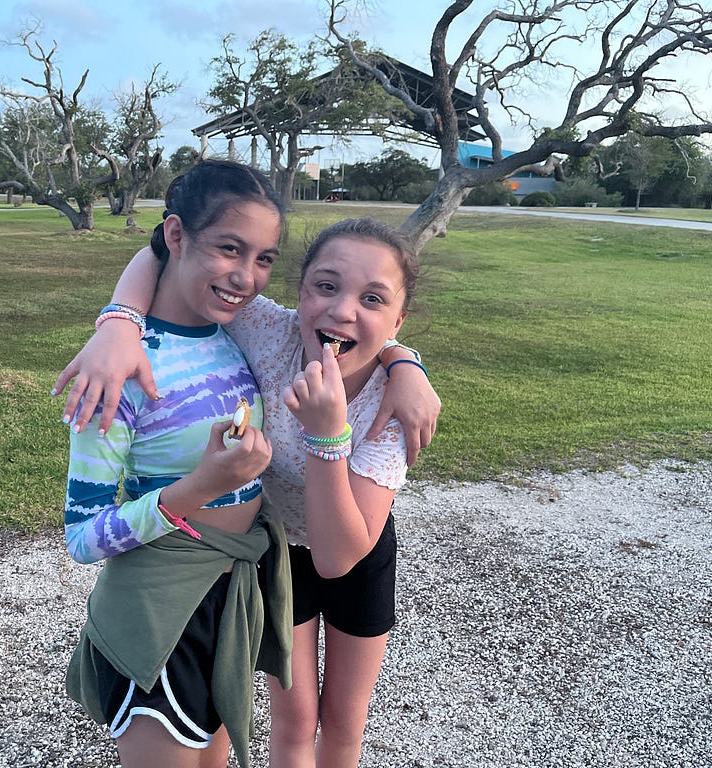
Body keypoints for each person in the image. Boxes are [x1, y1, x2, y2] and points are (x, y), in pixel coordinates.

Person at [55, 216, 438, 767]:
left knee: (345, 723)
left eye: (372, 299)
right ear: (300, 293)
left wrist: (336, 427)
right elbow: (165, 255)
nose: (343, 310)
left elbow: (337, 559)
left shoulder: (394, 406)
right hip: (275, 549)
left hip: (354, 546)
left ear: (397, 320)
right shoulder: (269, 331)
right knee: (294, 719)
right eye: (325, 286)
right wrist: (118, 324)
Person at [61, 160, 293, 768]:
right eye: (229, 249)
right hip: (160, 606)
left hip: (226, 596)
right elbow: (82, 538)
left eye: (264, 258)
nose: (246, 277)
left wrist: (405, 362)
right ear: (176, 235)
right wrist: (200, 488)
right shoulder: (118, 372)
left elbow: (338, 319)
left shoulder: (233, 332)